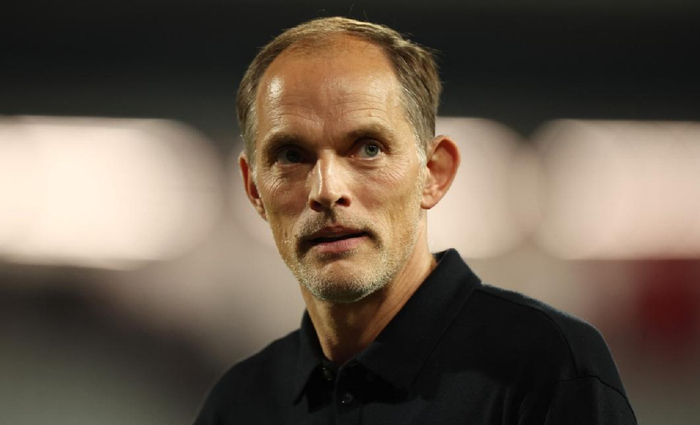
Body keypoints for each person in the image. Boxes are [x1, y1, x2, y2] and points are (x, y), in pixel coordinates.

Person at [194, 17, 637, 424]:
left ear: (434, 174)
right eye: (291, 155)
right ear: (255, 190)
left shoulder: (548, 368)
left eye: (368, 148)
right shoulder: (236, 405)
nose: (326, 190)